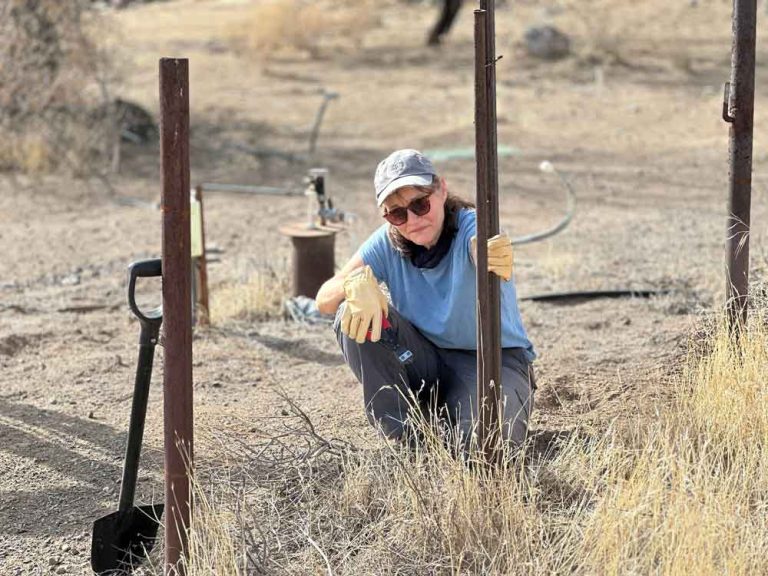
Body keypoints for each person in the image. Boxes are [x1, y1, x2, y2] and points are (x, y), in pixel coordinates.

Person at [316, 149, 535, 453]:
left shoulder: (472, 225)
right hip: (424, 361)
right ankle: (409, 442)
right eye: (397, 213)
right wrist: (353, 284)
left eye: (420, 203)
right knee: (348, 313)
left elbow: (480, 243)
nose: (413, 219)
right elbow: (323, 299)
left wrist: (484, 251)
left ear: (441, 189)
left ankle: (463, 419)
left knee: (487, 450)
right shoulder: (387, 241)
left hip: (492, 361)